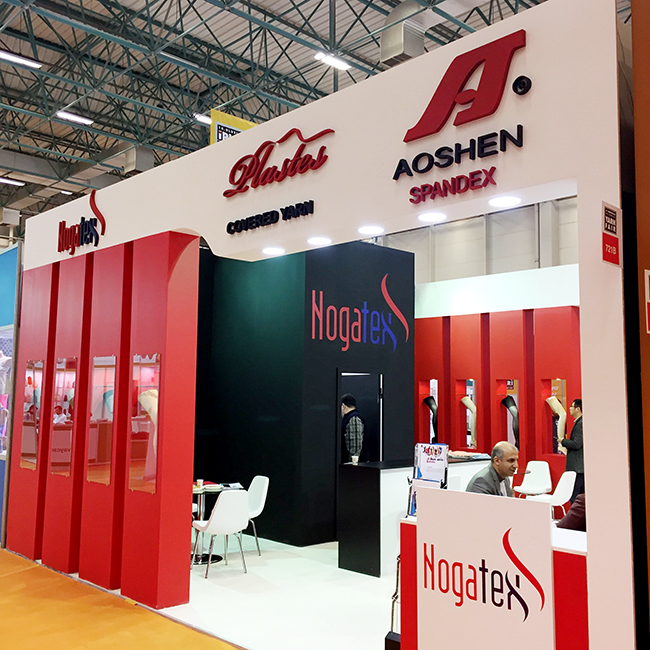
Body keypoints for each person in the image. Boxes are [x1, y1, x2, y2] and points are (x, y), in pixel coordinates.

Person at [560, 398, 584, 503]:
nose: (570, 409)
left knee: (575, 495)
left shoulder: (580, 424)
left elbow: (577, 444)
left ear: (578, 409)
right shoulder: (579, 422)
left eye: (571, 406)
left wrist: (563, 441)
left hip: (577, 468)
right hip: (578, 468)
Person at [340, 394, 364, 463]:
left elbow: (355, 446)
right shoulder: (351, 418)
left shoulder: (353, 419)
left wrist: (352, 463)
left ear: (343, 406)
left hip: (353, 464)